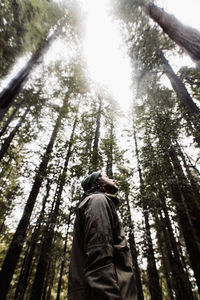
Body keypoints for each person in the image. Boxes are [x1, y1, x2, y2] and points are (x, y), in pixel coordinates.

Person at [68, 171, 137, 300]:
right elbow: (99, 255)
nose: (112, 178)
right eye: (106, 176)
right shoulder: (97, 201)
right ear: (97, 182)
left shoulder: (98, 202)